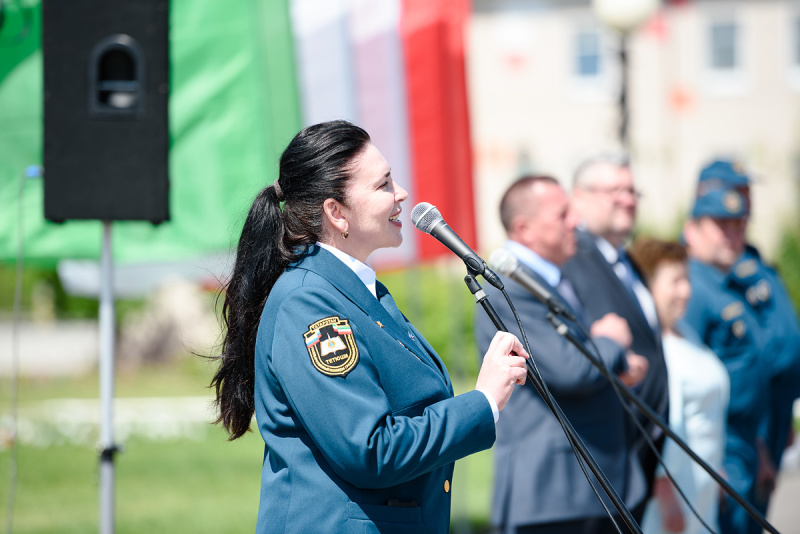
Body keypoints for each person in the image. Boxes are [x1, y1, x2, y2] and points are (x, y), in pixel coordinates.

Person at [210, 120, 529, 533]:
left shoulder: (358, 290)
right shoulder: (309, 303)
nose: (402, 195)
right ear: (336, 212)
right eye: (383, 185)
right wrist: (483, 401)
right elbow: (371, 449)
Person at [474, 175, 647, 534]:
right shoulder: (508, 290)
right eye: (563, 214)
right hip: (554, 491)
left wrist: (614, 365)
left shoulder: (551, 277)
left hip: (584, 486)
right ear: (524, 227)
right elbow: (568, 369)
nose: (576, 222)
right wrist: (611, 343)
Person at [561, 154, 670, 516]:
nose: (628, 199)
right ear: (579, 197)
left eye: (632, 190)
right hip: (605, 457)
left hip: (642, 455)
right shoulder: (572, 258)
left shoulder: (627, 262)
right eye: (615, 190)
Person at [698, 160, 800, 483]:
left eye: (747, 190)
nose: (745, 200)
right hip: (735, 433)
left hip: (769, 416)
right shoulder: (706, 268)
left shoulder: (748, 257)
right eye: (737, 190)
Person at [681, 184, 772, 534]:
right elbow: (684, 378)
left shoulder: (727, 281)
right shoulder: (691, 287)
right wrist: (707, 459)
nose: (733, 235)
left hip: (746, 440)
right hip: (719, 446)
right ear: (693, 230)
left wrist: (760, 446)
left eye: (739, 226)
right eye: (722, 226)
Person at [629, 238, 730, 534]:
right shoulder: (652, 348)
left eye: (687, 279)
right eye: (675, 281)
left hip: (702, 487)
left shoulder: (686, 332)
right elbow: (660, 423)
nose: (686, 291)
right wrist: (665, 492)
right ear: (648, 285)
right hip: (673, 496)